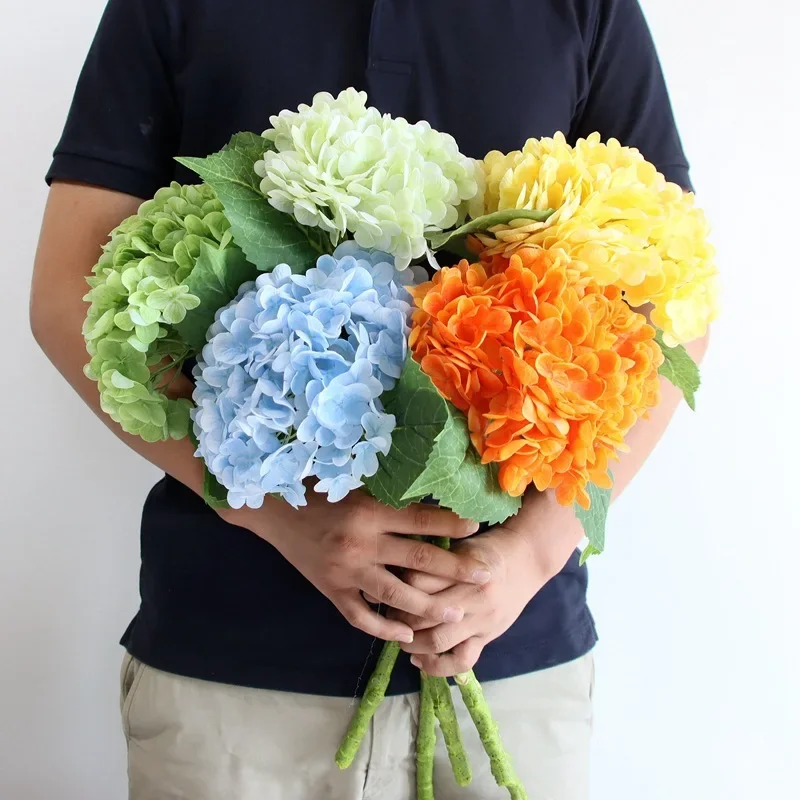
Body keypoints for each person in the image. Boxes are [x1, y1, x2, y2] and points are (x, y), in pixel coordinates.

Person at [29, 1, 708, 798]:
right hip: (237, 671)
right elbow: (67, 298)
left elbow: (674, 307)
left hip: (509, 657)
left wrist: (531, 552)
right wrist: (280, 516)